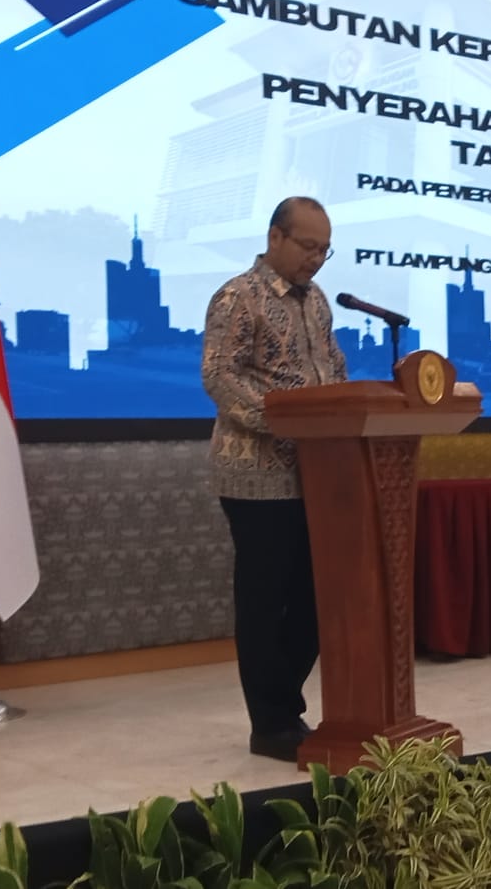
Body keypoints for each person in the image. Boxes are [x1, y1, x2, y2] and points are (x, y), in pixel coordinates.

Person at [200, 196, 348, 762]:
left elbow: (332, 368)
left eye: (324, 250)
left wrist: (343, 409)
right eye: (308, 246)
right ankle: (271, 724)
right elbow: (219, 375)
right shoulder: (238, 296)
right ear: (275, 238)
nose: (316, 259)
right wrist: (282, 422)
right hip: (256, 472)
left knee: (316, 595)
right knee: (265, 599)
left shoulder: (318, 302)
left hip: (316, 470)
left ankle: (283, 705)